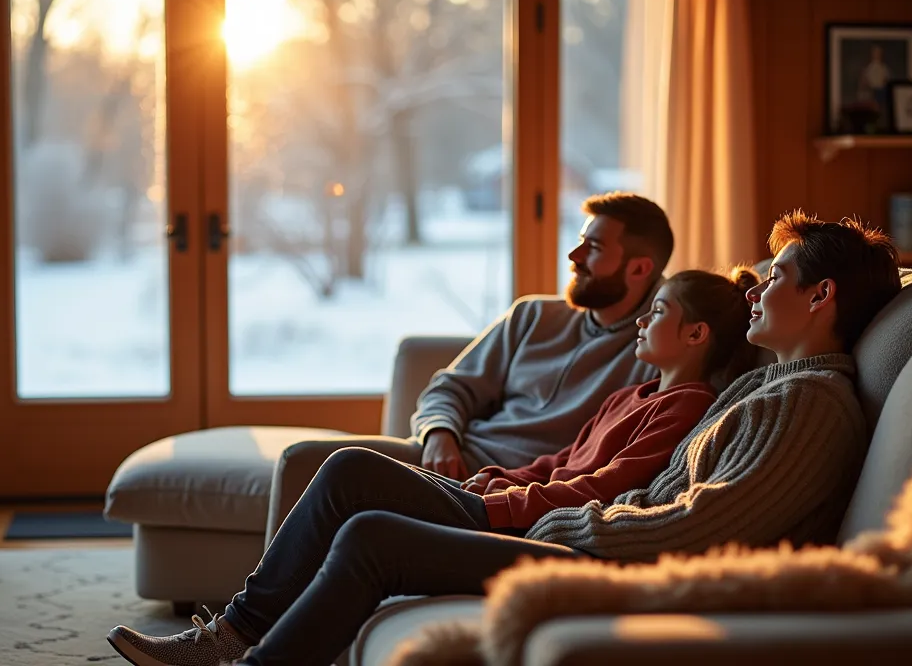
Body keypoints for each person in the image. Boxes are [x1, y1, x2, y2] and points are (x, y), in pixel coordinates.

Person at [106, 265, 765, 666]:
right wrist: (499, 480)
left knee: (356, 489)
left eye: (660, 312)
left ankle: (235, 638)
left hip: (535, 531)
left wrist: (499, 504)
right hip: (509, 507)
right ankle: (233, 632)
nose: (646, 321)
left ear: (697, 335)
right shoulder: (636, 392)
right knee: (349, 476)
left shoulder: (686, 405)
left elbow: (606, 485)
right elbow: (563, 460)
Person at [265, 192, 676, 537]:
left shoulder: (658, 349)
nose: (574, 255)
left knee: (352, 489)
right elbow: (449, 387)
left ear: (639, 268)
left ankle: (255, 627)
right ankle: (257, 625)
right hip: (451, 458)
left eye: (595, 248)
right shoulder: (532, 316)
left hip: (510, 490)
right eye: (581, 240)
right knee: (306, 462)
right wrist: (440, 434)